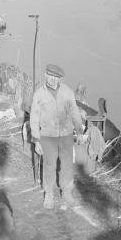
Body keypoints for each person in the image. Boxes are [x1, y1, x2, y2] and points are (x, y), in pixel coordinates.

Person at [29, 63, 86, 210]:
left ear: (60, 78)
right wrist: (36, 141)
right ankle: (49, 195)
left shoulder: (67, 92)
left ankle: (67, 192)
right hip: (47, 136)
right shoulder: (39, 94)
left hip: (66, 135)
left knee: (67, 165)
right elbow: (34, 118)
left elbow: (74, 112)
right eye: (50, 76)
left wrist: (79, 131)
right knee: (49, 166)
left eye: (56, 77)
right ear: (45, 75)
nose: (53, 79)